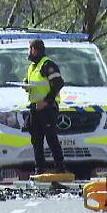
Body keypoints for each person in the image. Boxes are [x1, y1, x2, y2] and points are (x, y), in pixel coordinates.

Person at [24, 38, 66, 175]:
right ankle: (39, 169)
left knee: (51, 138)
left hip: (47, 108)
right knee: (36, 140)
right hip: (35, 108)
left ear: (34, 49)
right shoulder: (32, 67)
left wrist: (46, 101)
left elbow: (58, 83)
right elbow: (35, 83)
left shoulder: (47, 65)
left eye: (29, 49)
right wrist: (26, 84)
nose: (28, 52)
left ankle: (60, 167)